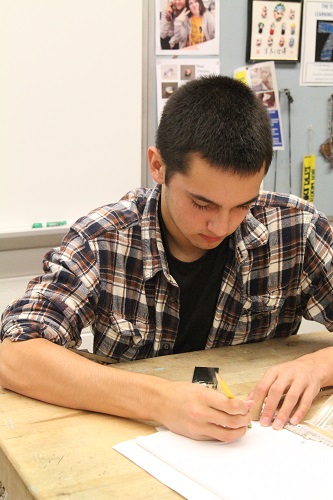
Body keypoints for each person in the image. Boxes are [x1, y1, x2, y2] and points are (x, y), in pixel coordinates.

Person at [1, 76, 333, 444]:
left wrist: (317, 366)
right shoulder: (104, 239)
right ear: (158, 166)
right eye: (201, 203)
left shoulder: (295, 230)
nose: (220, 225)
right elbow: (15, 354)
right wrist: (161, 401)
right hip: (131, 444)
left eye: (242, 204)